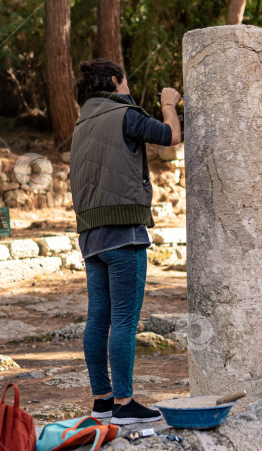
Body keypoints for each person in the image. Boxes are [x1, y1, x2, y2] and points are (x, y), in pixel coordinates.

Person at [69, 58, 181, 425]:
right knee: (124, 321)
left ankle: (102, 401)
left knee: (98, 318)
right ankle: (125, 403)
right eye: (126, 80)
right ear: (116, 80)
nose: (128, 87)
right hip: (124, 232)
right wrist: (168, 104)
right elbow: (170, 136)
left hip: (91, 237)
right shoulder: (124, 114)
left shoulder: (82, 123)